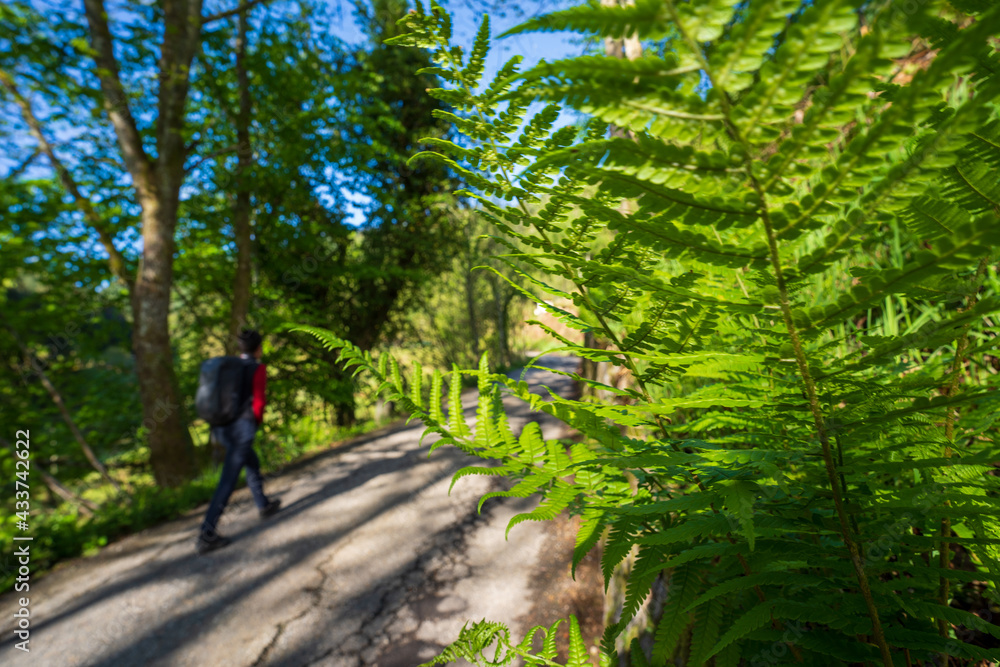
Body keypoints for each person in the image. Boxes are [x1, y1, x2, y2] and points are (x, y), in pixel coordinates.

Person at [197, 329, 281, 554]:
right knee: (228, 481)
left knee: (251, 461)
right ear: (259, 348)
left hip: (222, 429)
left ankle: (264, 504)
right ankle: (207, 533)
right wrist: (254, 425)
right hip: (242, 429)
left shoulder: (231, 366)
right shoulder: (257, 368)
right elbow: (259, 402)